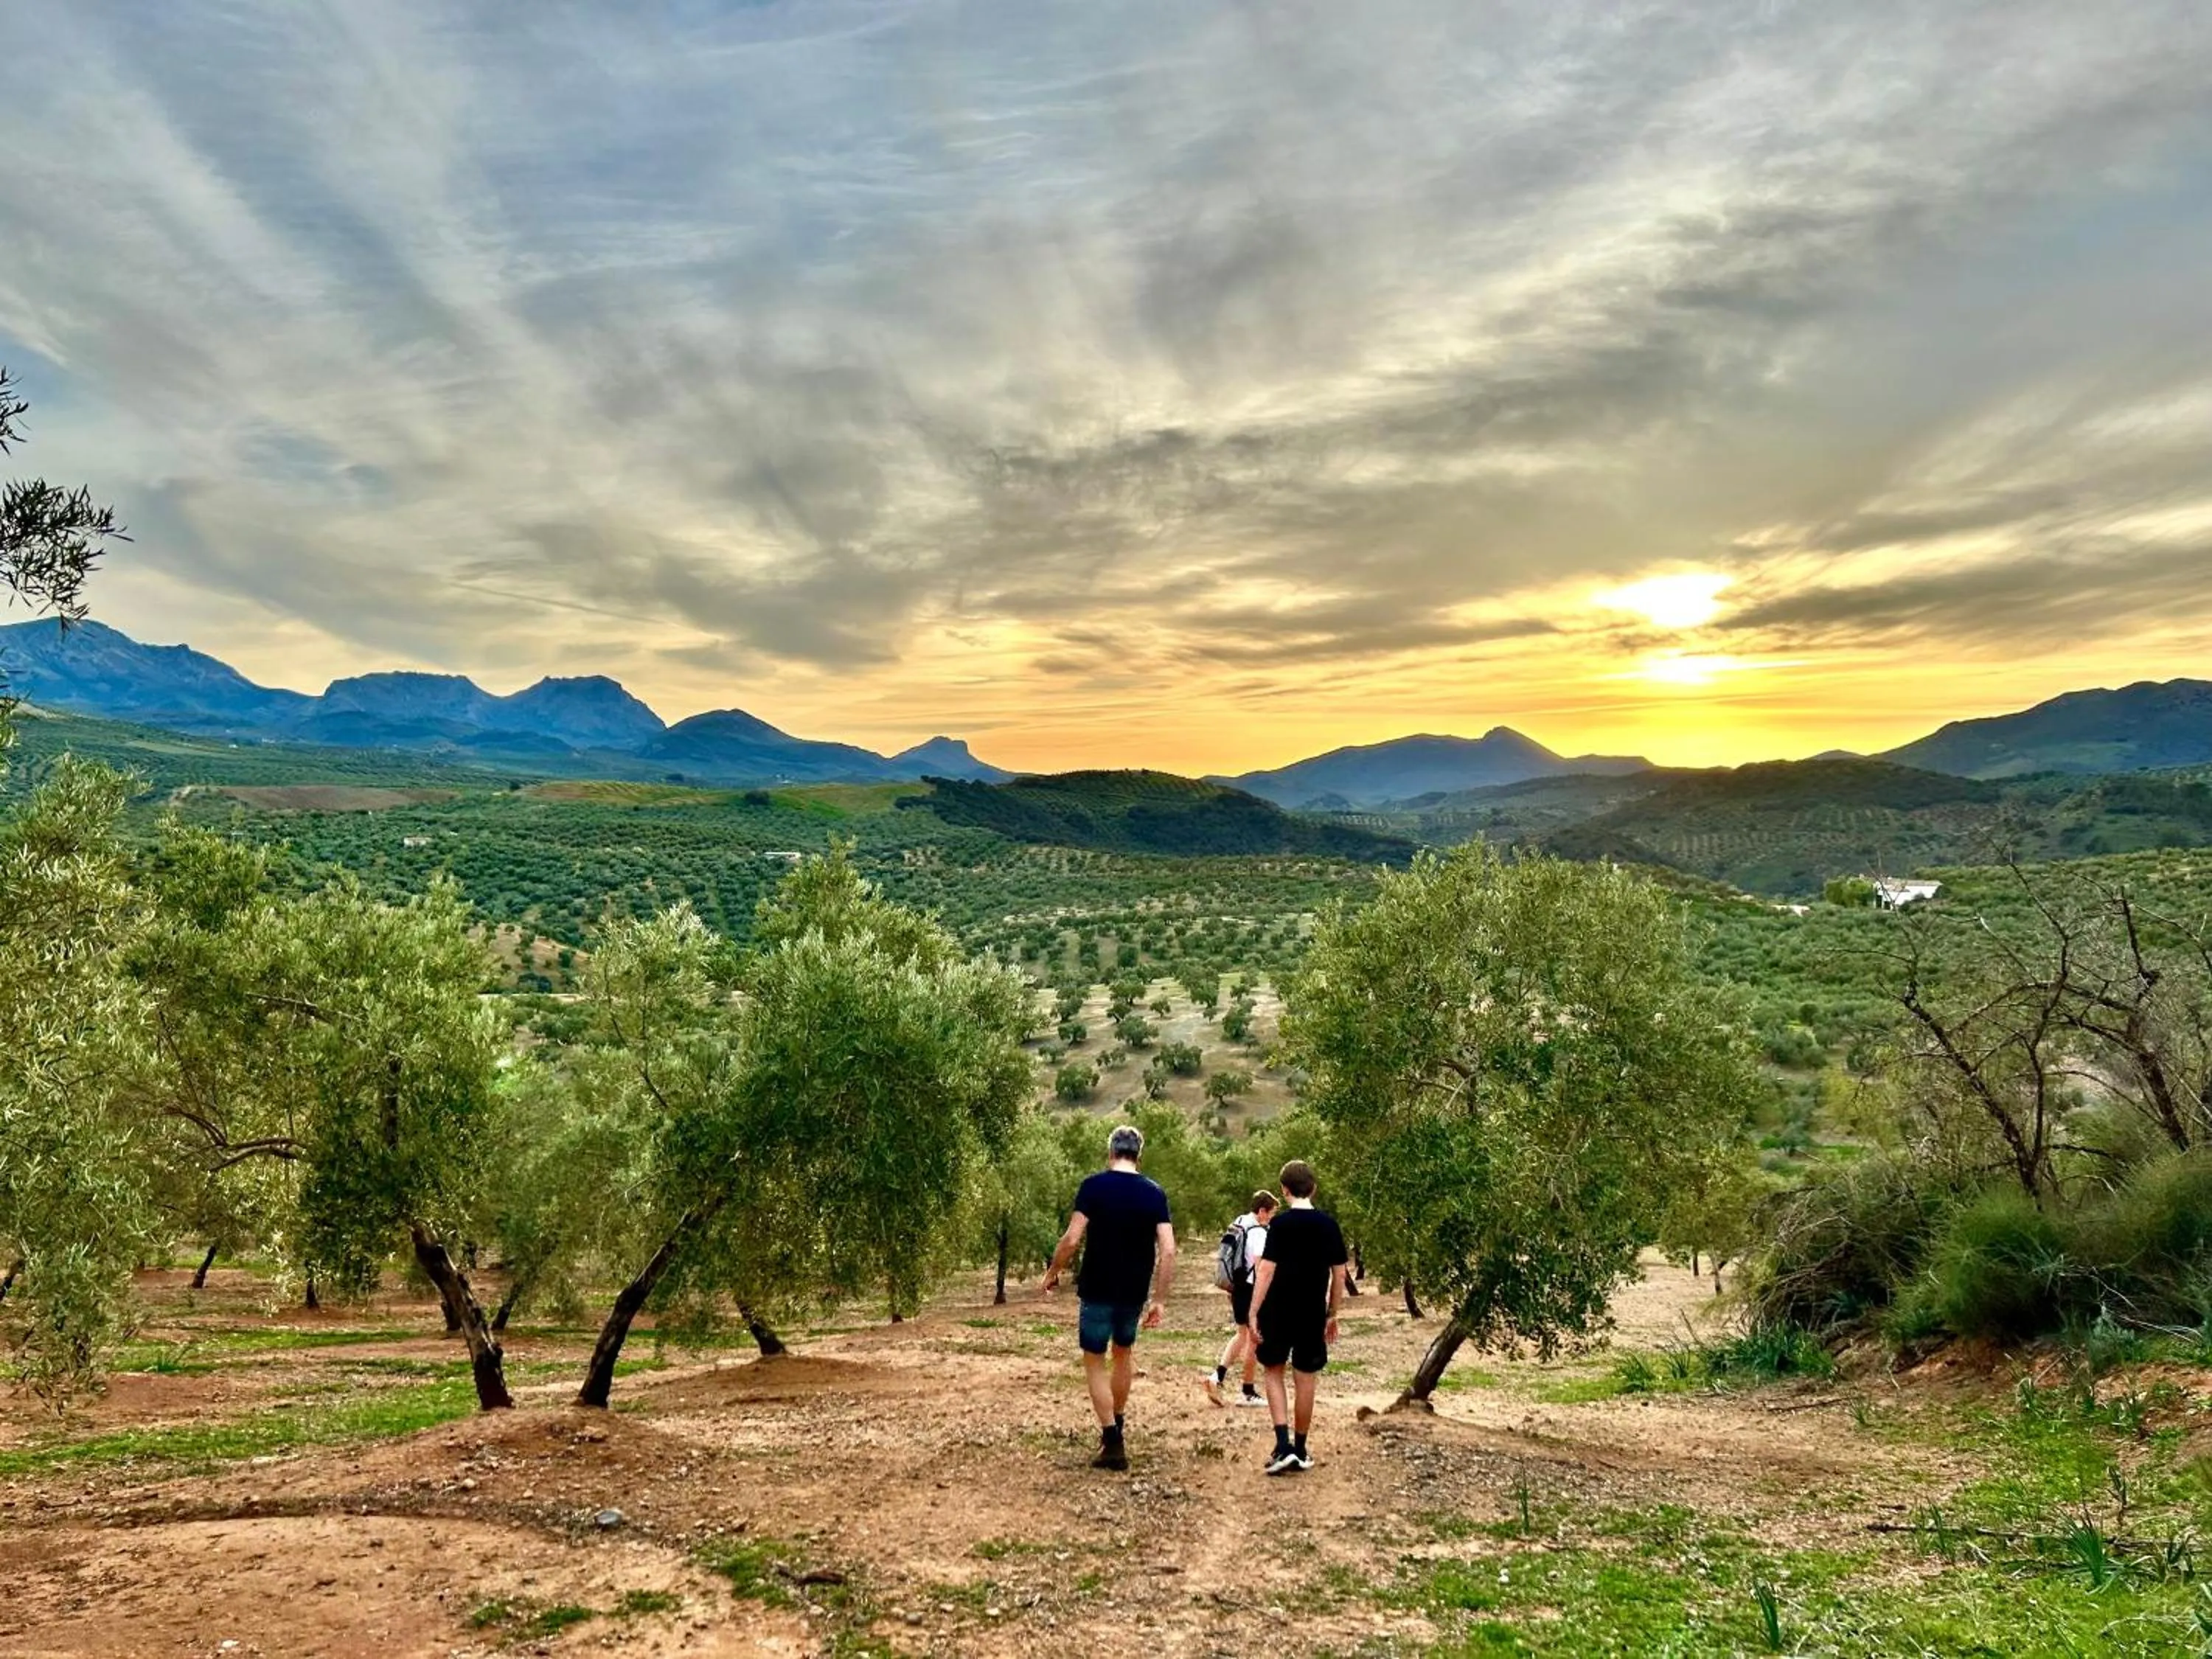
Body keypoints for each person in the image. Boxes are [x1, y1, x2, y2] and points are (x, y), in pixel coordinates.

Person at [1042, 1124, 1176, 1472]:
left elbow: (1072, 1239)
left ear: (1111, 1152)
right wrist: (1159, 1299)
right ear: (1139, 1156)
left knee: (1094, 1360)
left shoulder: (1093, 1187)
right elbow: (1170, 1251)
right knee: (1122, 1355)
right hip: (1134, 1290)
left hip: (1097, 1287)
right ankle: (1117, 1422)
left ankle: (1112, 1439)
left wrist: (1054, 1271)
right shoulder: (1154, 1193)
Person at [1245, 1159, 1348, 1475]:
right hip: (1311, 1311)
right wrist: (1332, 1313)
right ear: (1313, 1188)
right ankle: (1301, 1449)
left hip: (1278, 1310)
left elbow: (1266, 1269)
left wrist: (1252, 1311)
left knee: (1273, 1372)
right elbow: (1340, 1273)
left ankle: (1282, 1444)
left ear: (1284, 1190)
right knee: (1306, 1378)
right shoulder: (1328, 1225)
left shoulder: (1281, 1225)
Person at [1203, 1191, 1276, 1407]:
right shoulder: (1257, 1231)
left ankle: (1216, 1377)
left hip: (1238, 1287)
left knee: (1242, 1335)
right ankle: (1248, 1390)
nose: (1271, 1218)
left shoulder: (1240, 1221)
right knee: (1254, 1338)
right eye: (1271, 1213)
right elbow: (1260, 1263)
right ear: (1262, 1211)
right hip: (1252, 1288)